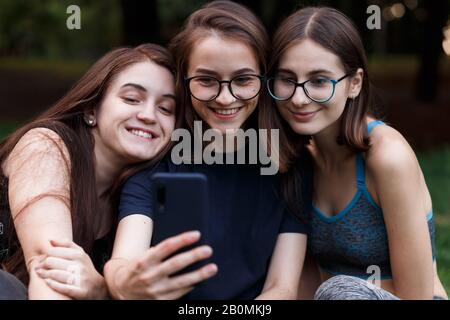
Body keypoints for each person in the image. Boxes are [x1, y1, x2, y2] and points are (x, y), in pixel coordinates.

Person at [104, 0, 309, 300]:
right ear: (184, 81)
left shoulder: (289, 167)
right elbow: (123, 261)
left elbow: (282, 288)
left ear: (264, 79)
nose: (225, 98)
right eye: (206, 80)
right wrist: (123, 282)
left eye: (242, 80)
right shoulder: (159, 160)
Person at [266, 6, 448, 300]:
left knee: (339, 291)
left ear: (354, 83)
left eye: (319, 81)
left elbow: (418, 295)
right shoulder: (297, 159)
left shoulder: (387, 157)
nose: (299, 98)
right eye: (287, 79)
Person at [0, 43, 180, 299]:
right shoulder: (46, 146)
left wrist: (100, 289)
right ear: (91, 109)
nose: (149, 116)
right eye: (131, 99)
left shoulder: (141, 199)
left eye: (166, 109)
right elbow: (52, 274)